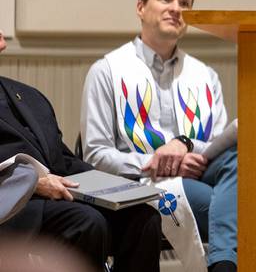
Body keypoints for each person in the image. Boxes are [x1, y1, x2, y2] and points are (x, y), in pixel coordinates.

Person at [81, 0, 237, 272]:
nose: (176, 9)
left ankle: (224, 265)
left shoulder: (205, 76)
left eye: (185, 3)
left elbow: (218, 147)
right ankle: (225, 264)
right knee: (242, 203)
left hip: (199, 172)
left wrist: (184, 146)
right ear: (141, 7)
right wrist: (154, 161)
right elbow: (95, 155)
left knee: (237, 161)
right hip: (141, 183)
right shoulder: (108, 70)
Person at [0, 30, 162, 271]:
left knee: (144, 218)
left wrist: (110, 187)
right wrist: (32, 183)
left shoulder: (31, 96)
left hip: (59, 198)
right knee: (86, 221)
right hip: (13, 206)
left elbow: (63, 160)